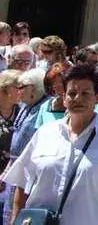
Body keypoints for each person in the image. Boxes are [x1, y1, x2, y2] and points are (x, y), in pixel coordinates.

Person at [4, 63, 98, 224]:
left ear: (97, 99)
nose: (78, 99)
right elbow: (22, 182)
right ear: (63, 98)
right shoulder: (45, 133)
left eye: (85, 93)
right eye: (72, 93)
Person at [2, 68, 47, 225]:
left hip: (29, 174)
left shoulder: (43, 108)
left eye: (22, 87)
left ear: (34, 89)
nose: (18, 91)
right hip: (15, 169)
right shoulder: (26, 107)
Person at [35, 62, 98, 127]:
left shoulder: (88, 102)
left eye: (60, 83)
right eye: (53, 85)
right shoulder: (46, 106)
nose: (57, 88)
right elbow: (38, 133)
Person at [0, 70, 20, 217]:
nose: (22, 91)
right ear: (5, 89)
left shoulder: (23, 111)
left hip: (12, 175)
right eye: (18, 87)